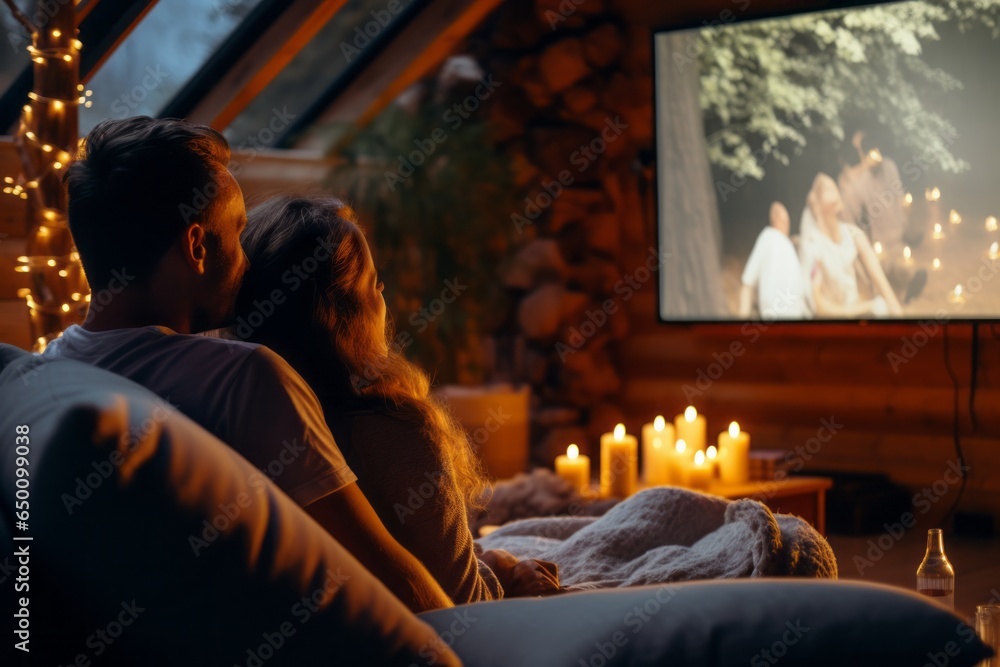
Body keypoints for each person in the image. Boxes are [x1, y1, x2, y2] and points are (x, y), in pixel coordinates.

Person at [44, 117, 452, 612]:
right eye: (237, 234)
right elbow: (388, 577)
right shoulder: (243, 378)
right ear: (196, 246)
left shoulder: (47, 371)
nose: (246, 263)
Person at [233, 195, 561, 602]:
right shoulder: (395, 430)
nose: (384, 298)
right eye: (375, 285)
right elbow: (460, 603)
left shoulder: (233, 416)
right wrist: (505, 570)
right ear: (344, 317)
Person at [837, 128, 927, 303]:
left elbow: (899, 199)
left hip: (899, 237)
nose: (875, 159)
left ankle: (906, 290)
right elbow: (848, 218)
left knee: (903, 269)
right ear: (862, 155)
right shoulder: (858, 184)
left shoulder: (889, 166)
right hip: (881, 244)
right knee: (884, 275)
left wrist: (907, 225)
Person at [799, 173, 904, 318]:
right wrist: (861, 309)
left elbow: (881, 281)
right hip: (830, 321)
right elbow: (818, 306)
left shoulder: (853, 234)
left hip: (856, 312)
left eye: (833, 186)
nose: (833, 190)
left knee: (882, 308)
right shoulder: (813, 243)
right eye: (826, 188)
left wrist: (898, 315)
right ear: (817, 202)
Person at [737, 202, 809, 319]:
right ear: (777, 219)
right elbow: (747, 282)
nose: (787, 224)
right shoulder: (768, 236)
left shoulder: (787, 245)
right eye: (784, 220)